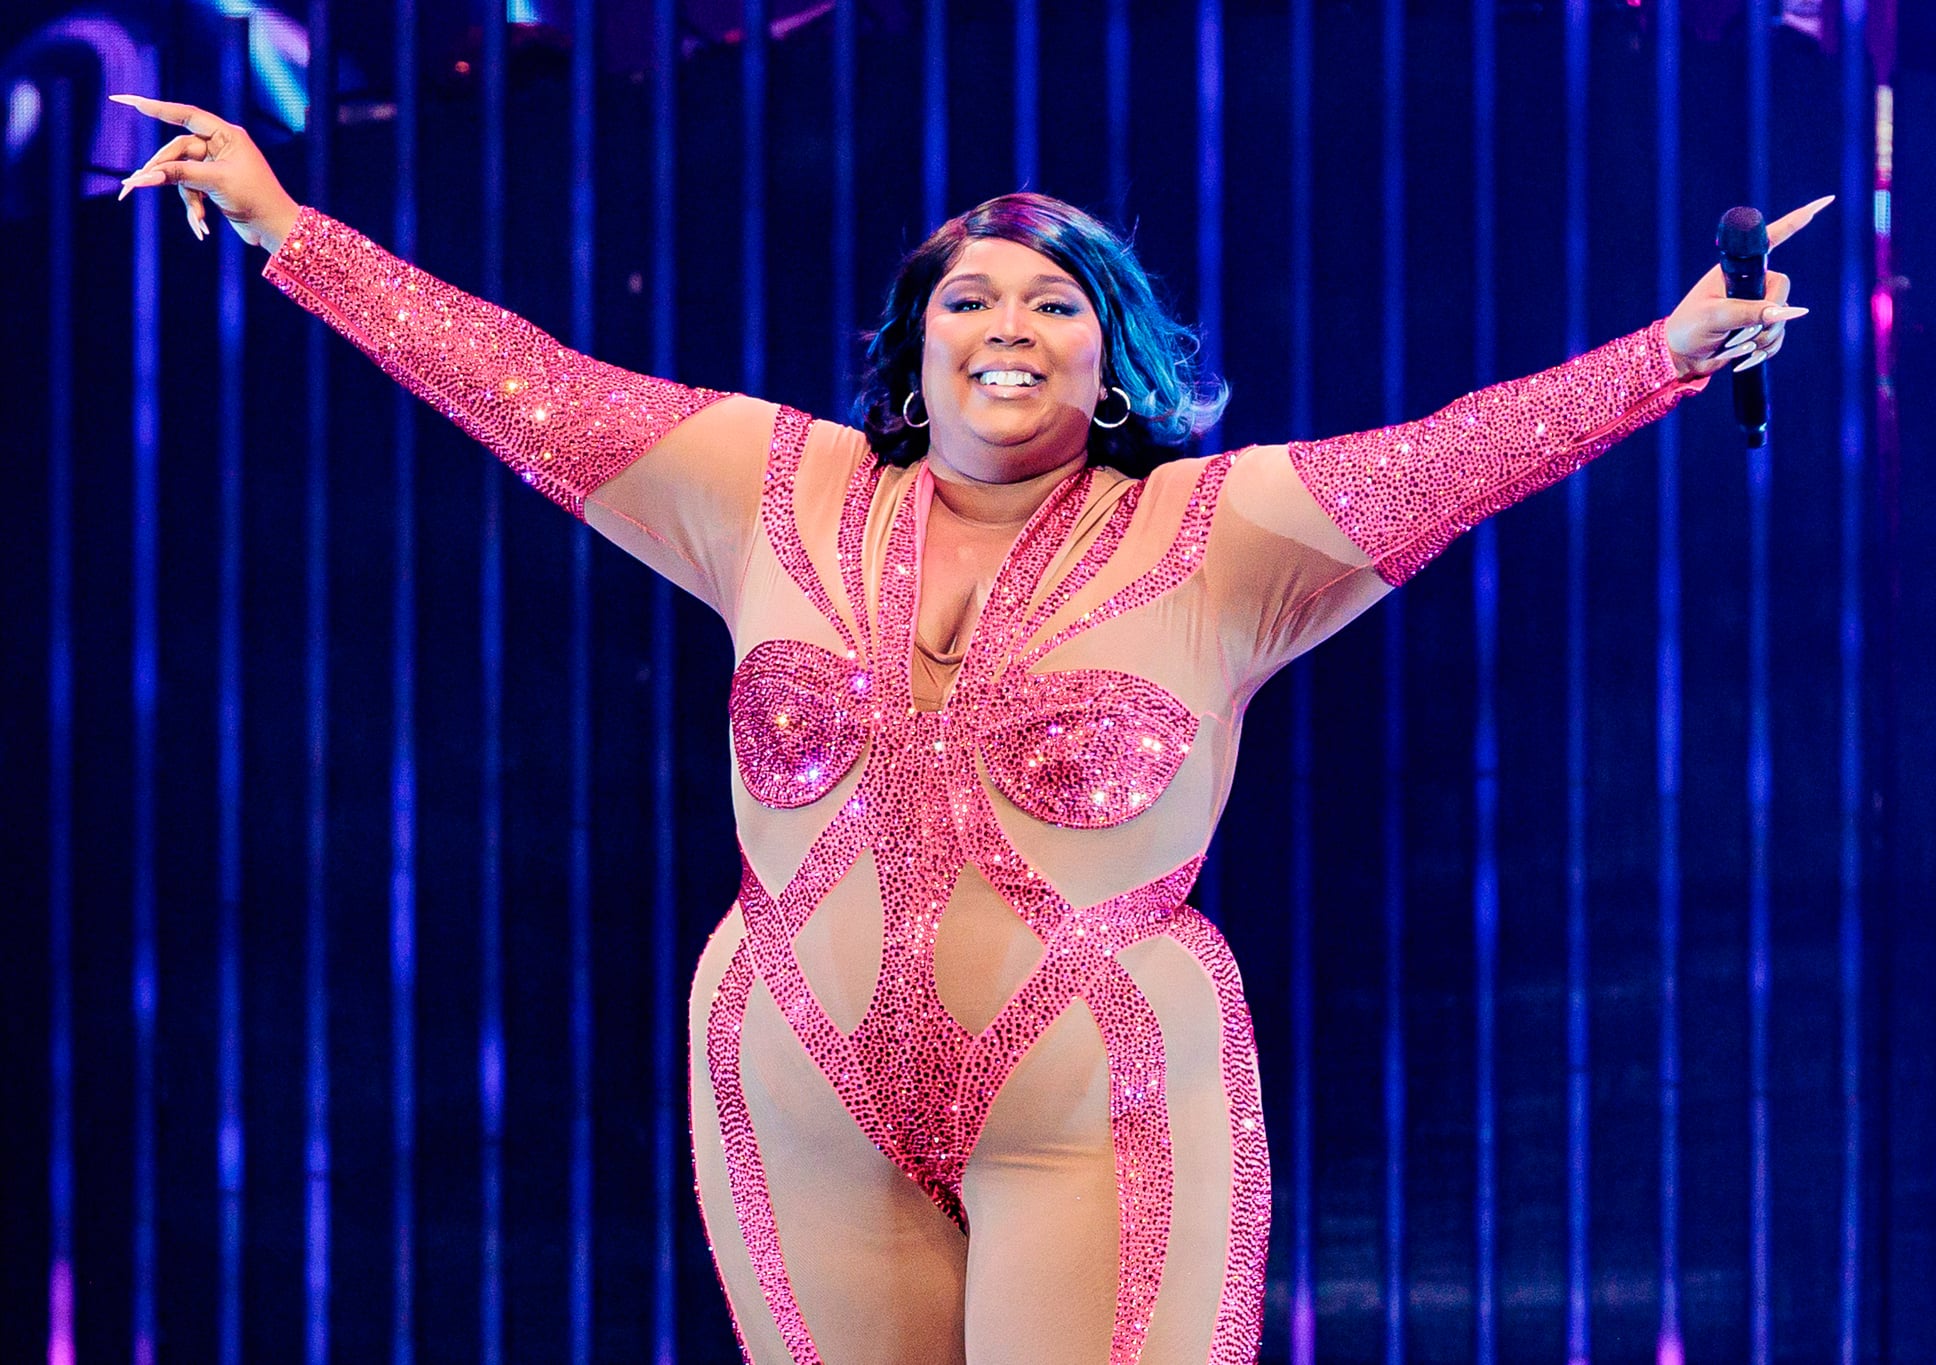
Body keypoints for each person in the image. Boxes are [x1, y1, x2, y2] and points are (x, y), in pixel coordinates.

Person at [112, 92, 1821, 1365]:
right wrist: (286, 228)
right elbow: (522, 385)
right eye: (972, 302)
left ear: (1118, 363)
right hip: (794, 1064)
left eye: (1056, 305)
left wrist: (1672, 351)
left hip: (1079, 1087)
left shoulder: (1225, 533)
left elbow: (1463, 450)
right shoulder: (759, 479)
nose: (1010, 327)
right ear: (912, 352)